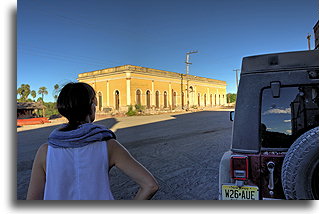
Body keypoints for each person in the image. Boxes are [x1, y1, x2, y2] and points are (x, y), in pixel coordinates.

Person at [26, 82, 159, 200]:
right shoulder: (109, 146)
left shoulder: (45, 151)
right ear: (91, 107)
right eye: (94, 102)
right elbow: (150, 185)